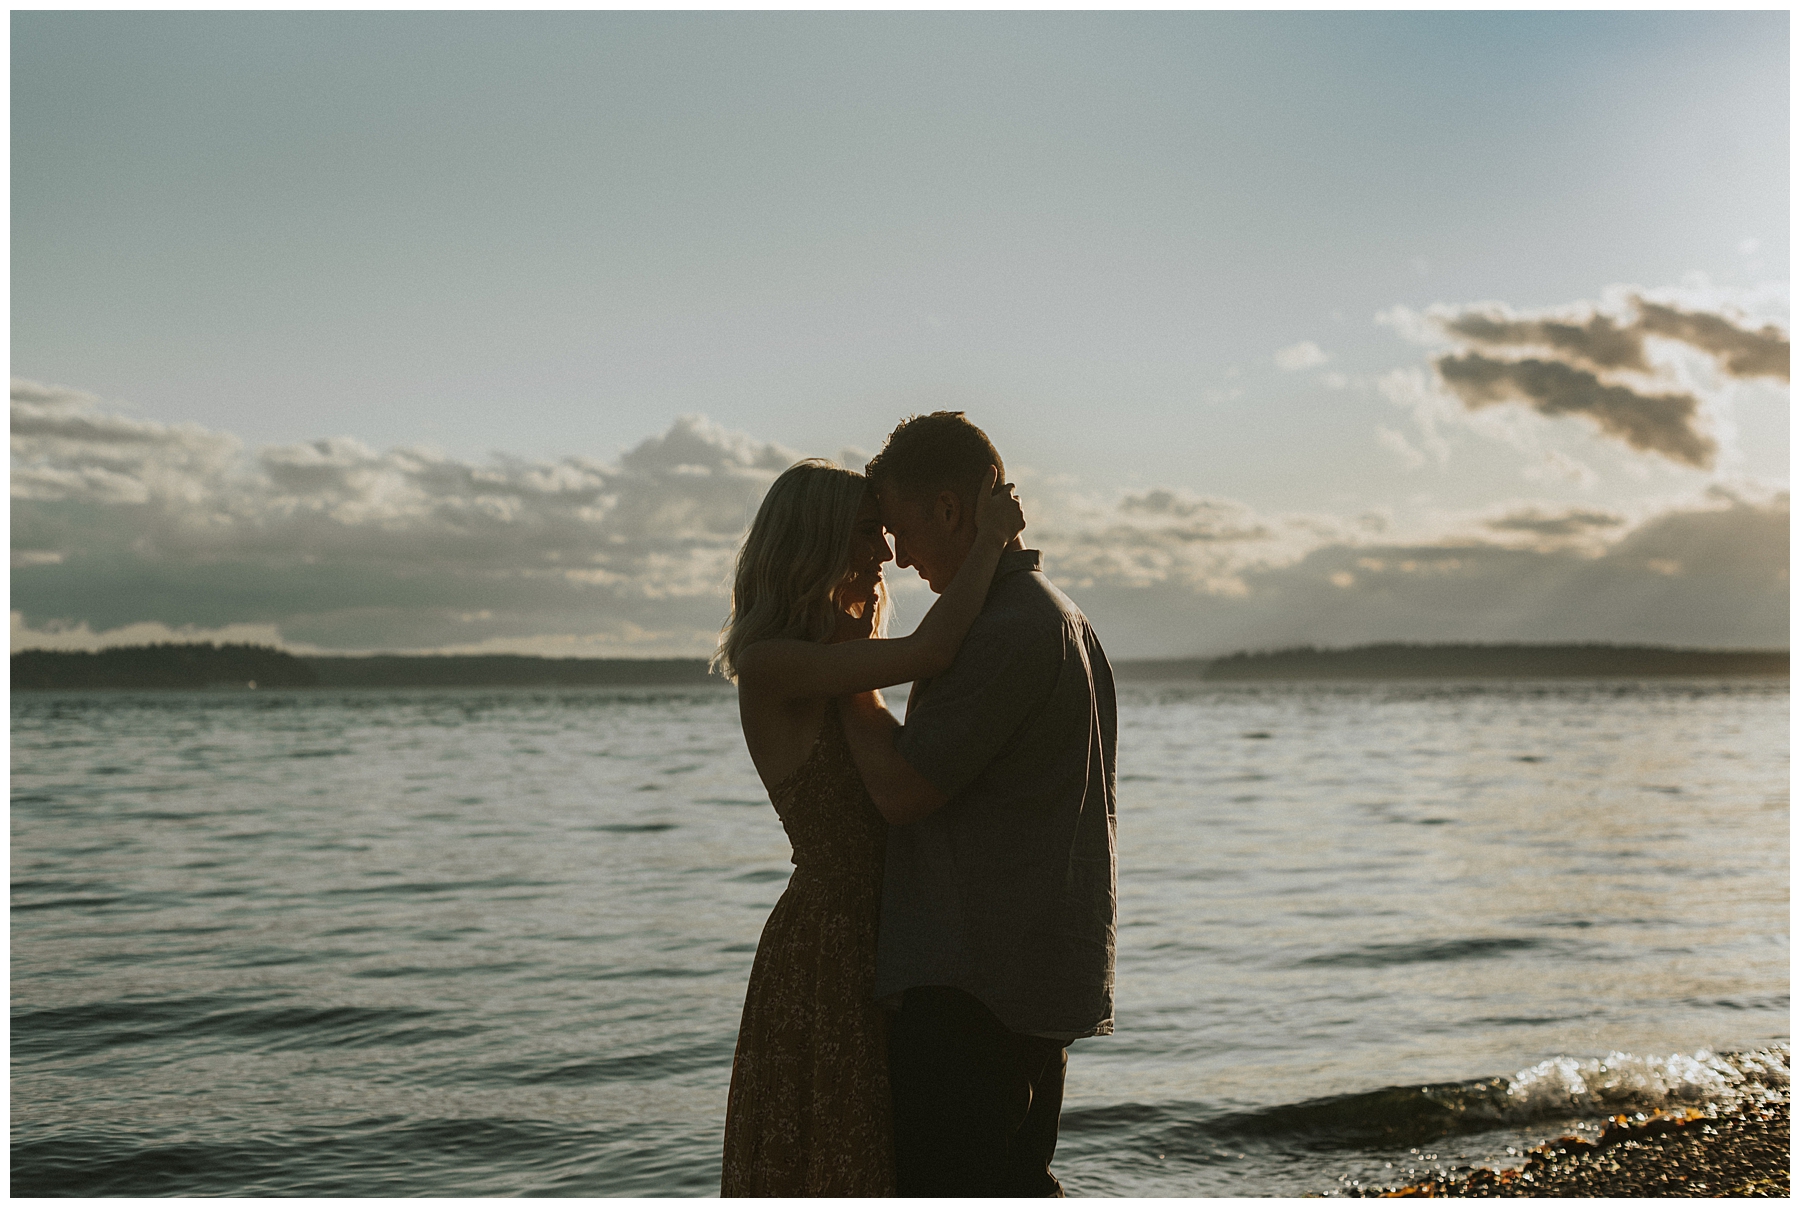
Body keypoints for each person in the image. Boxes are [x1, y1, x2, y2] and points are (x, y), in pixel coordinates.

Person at [714, 456, 1026, 1197]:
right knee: (833, 1152)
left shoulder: (838, 664)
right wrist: (990, 542)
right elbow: (932, 651)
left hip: (883, 929)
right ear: (815, 543)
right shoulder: (772, 664)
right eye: (865, 535)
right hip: (828, 943)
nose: (886, 555)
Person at [838, 412, 1118, 1198]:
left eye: (896, 527)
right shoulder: (1064, 617)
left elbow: (902, 792)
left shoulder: (1002, 631)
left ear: (950, 510)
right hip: (1031, 974)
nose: (892, 554)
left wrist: (845, 683)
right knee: (1015, 1183)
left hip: (973, 985)